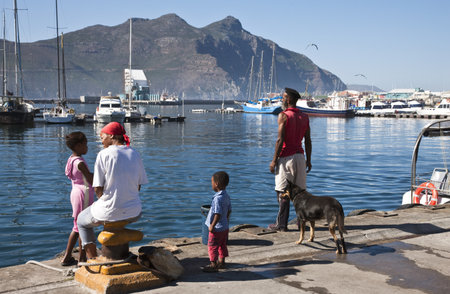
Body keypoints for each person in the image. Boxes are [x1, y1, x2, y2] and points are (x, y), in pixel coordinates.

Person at [77, 122, 148, 259]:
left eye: (102, 137)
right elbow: (138, 186)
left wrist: (105, 202)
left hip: (109, 211)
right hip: (135, 211)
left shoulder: (104, 154)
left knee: (81, 221)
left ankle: (92, 258)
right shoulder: (135, 153)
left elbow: (98, 188)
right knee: (115, 214)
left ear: (111, 136)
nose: (101, 141)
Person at [268, 88, 312, 231]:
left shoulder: (284, 116)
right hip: (300, 157)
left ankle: (281, 225)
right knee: (300, 193)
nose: (282, 99)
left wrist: (274, 160)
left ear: (289, 100)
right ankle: (301, 223)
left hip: (286, 157)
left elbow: (280, 140)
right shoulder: (305, 117)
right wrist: (309, 160)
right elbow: (308, 140)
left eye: (284, 97)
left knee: (282, 192)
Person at [62, 131, 94, 266]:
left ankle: (67, 257)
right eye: (85, 145)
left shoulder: (71, 159)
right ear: (79, 145)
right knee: (83, 225)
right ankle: (82, 258)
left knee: (76, 226)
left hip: (75, 192)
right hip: (83, 194)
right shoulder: (80, 162)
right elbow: (91, 180)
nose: (87, 147)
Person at [202, 171, 232, 272]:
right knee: (222, 245)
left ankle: (213, 264)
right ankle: (222, 262)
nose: (211, 185)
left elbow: (217, 213)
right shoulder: (226, 196)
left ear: (217, 184)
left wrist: (212, 225)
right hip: (225, 227)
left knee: (212, 246)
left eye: (212, 182)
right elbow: (229, 210)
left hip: (217, 229)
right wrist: (225, 220)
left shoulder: (217, 199)